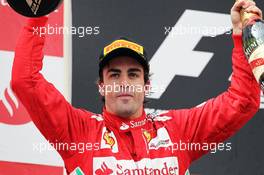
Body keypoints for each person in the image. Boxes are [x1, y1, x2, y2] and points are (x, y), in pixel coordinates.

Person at [11, 0, 262, 174]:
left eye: (133, 74)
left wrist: (240, 37)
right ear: (101, 87)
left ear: (146, 85)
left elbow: (241, 102)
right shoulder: (78, 133)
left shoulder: (177, 131)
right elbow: (25, 81)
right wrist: (37, 16)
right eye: (114, 75)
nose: (123, 82)